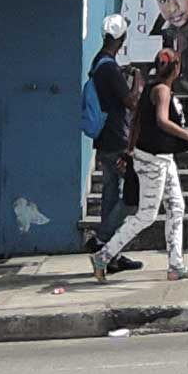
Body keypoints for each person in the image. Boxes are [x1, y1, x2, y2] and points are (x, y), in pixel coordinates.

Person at [90, 42, 188, 281]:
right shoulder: (163, 91)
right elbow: (162, 121)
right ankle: (103, 256)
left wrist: (130, 150)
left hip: (159, 158)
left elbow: (136, 122)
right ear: (176, 68)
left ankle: (175, 265)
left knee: (177, 207)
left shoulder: (151, 88)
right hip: (154, 161)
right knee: (146, 214)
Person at [84, 14, 138, 255]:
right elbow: (131, 102)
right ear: (122, 38)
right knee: (132, 195)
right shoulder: (110, 69)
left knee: (110, 193)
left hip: (104, 139)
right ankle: (104, 238)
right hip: (117, 138)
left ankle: (110, 252)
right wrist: (137, 80)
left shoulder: (99, 62)